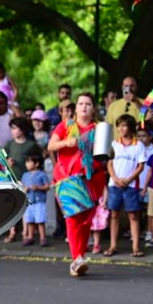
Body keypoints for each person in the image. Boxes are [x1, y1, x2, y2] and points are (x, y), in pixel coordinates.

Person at [47, 93, 105, 277]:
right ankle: (76, 258)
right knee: (73, 217)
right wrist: (68, 142)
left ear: (93, 108)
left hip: (92, 178)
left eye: (88, 104)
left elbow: (106, 154)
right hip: (69, 178)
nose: (84, 107)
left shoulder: (99, 129)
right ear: (76, 107)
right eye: (81, 103)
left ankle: (79, 256)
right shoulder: (65, 125)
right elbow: (51, 146)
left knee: (86, 220)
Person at [106, 115, 146, 257]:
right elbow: (109, 163)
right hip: (114, 184)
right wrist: (115, 178)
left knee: (133, 215)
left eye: (124, 125)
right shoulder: (114, 144)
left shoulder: (138, 145)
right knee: (114, 214)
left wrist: (129, 179)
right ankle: (113, 245)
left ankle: (135, 247)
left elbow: (140, 166)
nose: (121, 129)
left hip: (131, 185)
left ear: (130, 127)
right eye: (119, 126)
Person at [3, 117, 42, 243]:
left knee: (26, 207)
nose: (12, 131)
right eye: (12, 128)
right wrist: (7, 161)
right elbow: (3, 158)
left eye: (15, 128)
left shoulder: (31, 145)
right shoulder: (9, 144)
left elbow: (38, 159)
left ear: (22, 129)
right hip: (12, 179)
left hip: (27, 180)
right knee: (11, 207)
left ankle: (26, 233)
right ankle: (12, 232)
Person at [20, 153, 51, 246]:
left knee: (40, 220)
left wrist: (38, 187)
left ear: (36, 164)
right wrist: (24, 189)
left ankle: (43, 237)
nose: (27, 164)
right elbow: (22, 185)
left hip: (39, 201)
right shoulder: (25, 175)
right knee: (29, 220)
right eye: (26, 162)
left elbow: (47, 186)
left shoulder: (42, 175)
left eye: (29, 162)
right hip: (28, 201)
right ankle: (30, 237)